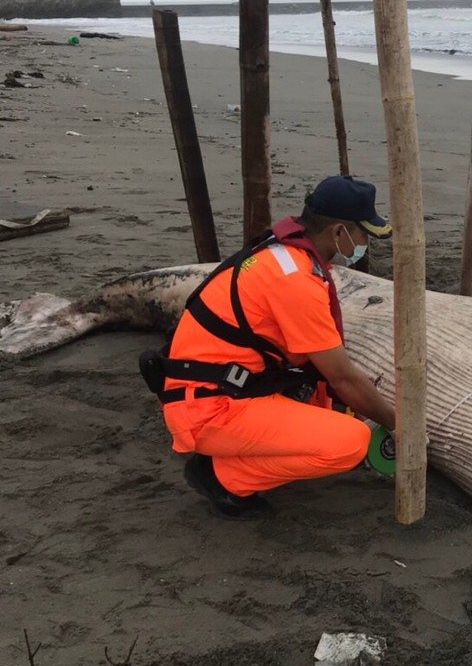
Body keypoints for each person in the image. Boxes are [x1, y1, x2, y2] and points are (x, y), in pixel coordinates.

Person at [143, 175, 398, 520]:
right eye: (363, 234)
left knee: (325, 404)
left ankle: (232, 452)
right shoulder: (295, 281)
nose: (365, 243)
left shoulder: (282, 253)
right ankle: (222, 477)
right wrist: (396, 424)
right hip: (206, 406)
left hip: (217, 384)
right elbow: (342, 378)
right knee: (349, 443)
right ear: (339, 232)